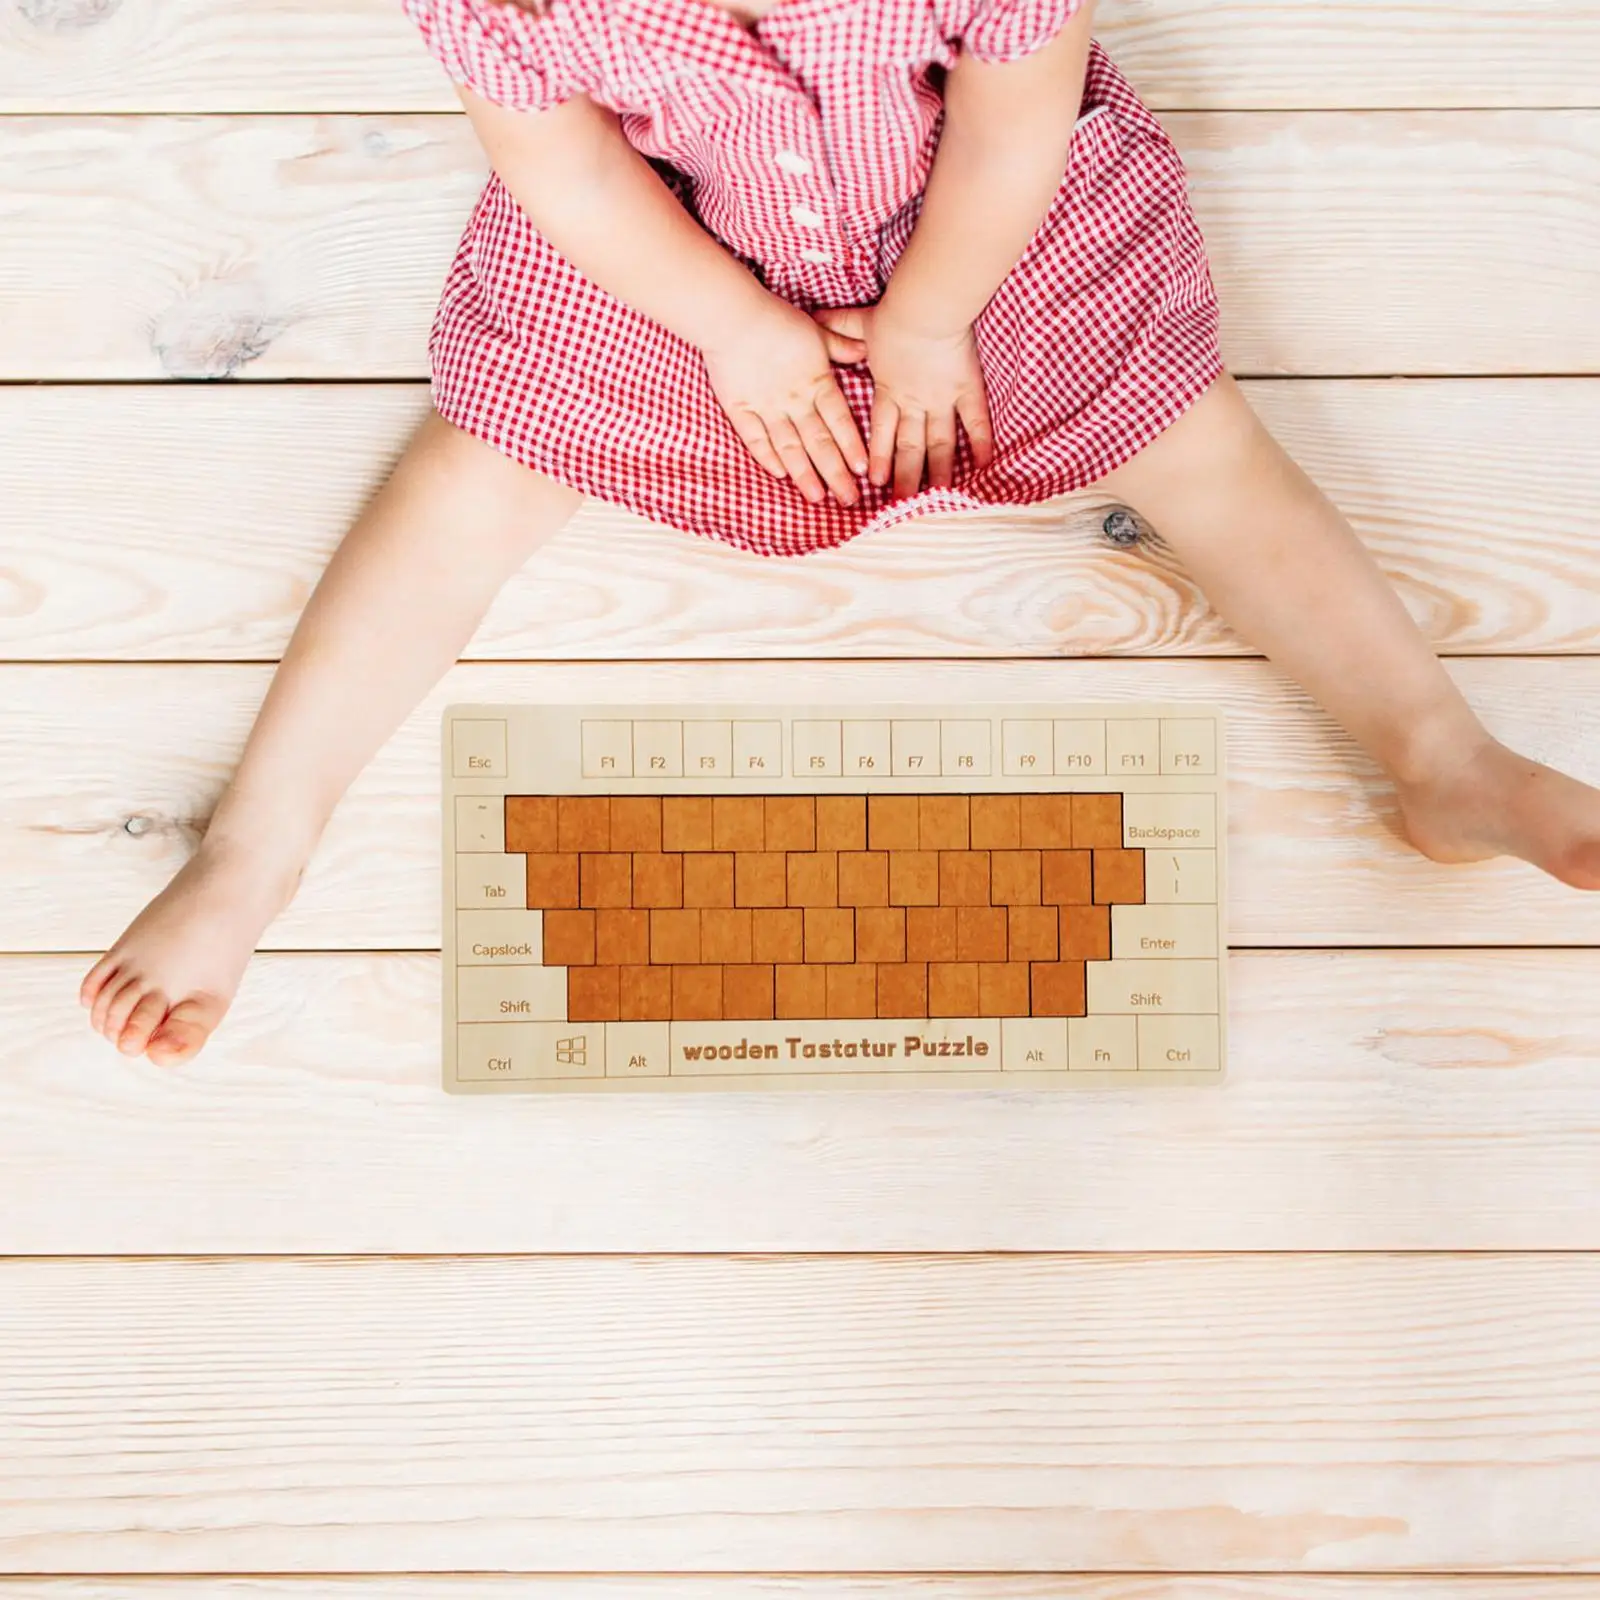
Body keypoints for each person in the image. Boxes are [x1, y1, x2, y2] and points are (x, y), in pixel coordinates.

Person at [80, 0, 1600, 1064]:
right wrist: (739, 330)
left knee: (1191, 433)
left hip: (980, 221)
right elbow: (569, 169)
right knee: (477, 466)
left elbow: (1017, 127)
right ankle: (258, 851)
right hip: (683, 241)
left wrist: (934, 317)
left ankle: (1440, 758)